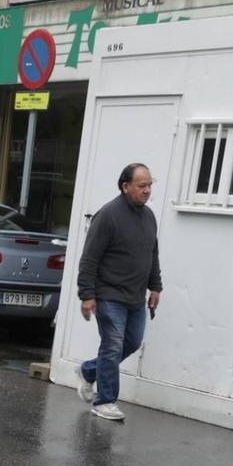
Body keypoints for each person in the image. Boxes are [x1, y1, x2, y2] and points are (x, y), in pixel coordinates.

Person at [76, 162, 162, 423]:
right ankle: (105, 401)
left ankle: (89, 370)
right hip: (109, 295)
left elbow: (152, 254)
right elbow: (89, 259)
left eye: (150, 185)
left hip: (135, 298)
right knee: (112, 346)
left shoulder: (148, 217)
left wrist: (155, 286)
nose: (147, 190)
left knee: (132, 342)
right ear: (125, 187)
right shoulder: (108, 216)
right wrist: (87, 295)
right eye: (142, 185)